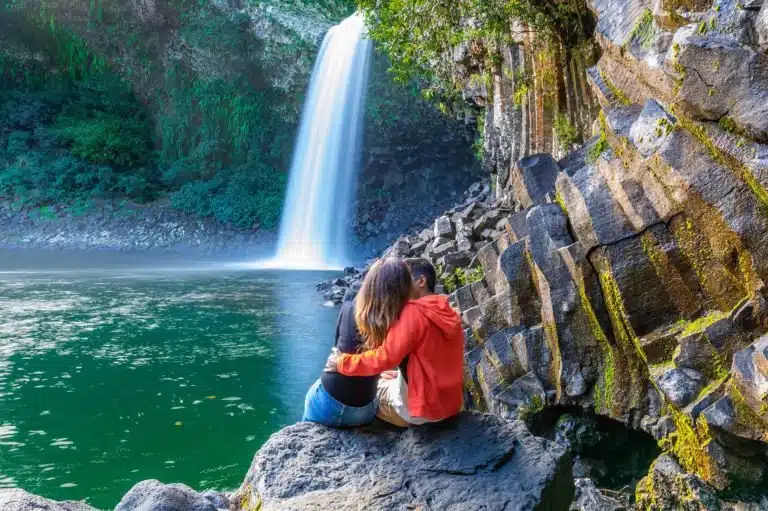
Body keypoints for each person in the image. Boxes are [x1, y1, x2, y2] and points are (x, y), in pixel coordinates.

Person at [325, 257, 464, 427]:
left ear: (421, 281)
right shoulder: (448, 310)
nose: (401, 287)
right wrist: (404, 375)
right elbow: (437, 359)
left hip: (424, 413)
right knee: (386, 379)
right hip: (452, 405)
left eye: (405, 280)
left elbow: (384, 358)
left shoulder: (412, 312)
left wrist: (342, 362)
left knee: (372, 396)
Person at [302, 297, 380, 427]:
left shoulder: (350, 308)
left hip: (332, 406)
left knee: (313, 394)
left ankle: (304, 435)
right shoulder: (397, 316)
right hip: (367, 411)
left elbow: (337, 348)